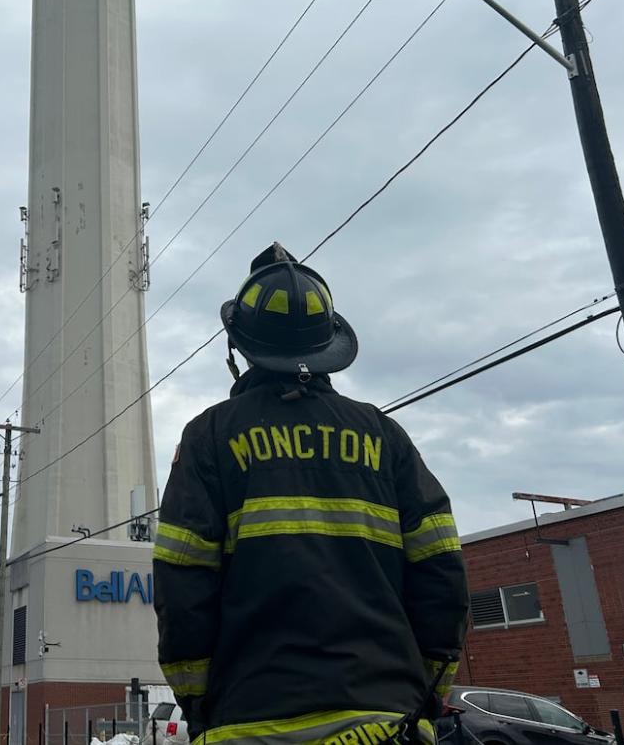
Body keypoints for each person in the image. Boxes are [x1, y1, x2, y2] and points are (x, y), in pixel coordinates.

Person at [153, 243, 468, 745]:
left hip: (251, 722)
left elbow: (182, 580)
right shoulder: (385, 438)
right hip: (386, 722)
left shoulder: (209, 437)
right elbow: (441, 572)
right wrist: (425, 690)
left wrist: (199, 699)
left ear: (238, 346)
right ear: (328, 348)